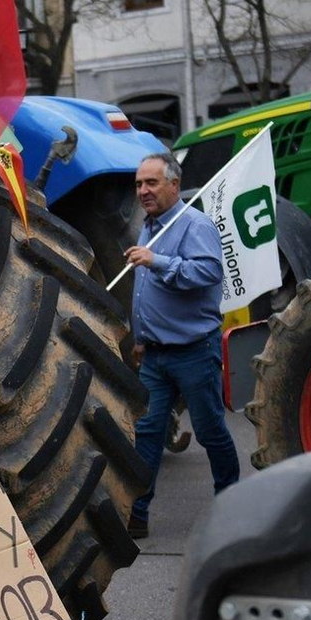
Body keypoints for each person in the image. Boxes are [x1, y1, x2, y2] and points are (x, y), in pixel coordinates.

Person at [125, 152, 240, 538]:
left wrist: (158, 261)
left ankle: (232, 507)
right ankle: (137, 515)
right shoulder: (150, 225)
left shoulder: (194, 225)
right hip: (155, 356)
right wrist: (140, 337)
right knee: (148, 433)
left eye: (152, 183)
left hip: (194, 352)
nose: (143, 191)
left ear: (174, 184)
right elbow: (145, 291)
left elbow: (208, 272)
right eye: (140, 184)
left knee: (210, 432)